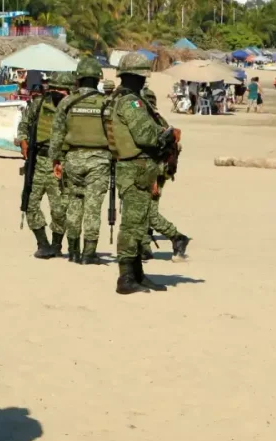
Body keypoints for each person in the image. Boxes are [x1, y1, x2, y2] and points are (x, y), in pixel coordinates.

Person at [105, 54, 177, 294]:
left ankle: (137, 273)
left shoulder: (121, 99)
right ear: (136, 77)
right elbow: (145, 136)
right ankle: (126, 277)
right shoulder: (131, 102)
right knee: (133, 225)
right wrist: (166, 135)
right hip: (135, 168)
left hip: (137, 168)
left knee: (139, 223)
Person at [49, 56, 111, 264]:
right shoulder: (106, 103)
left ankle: (73, 251)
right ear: (97, 79)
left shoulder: (67, 102)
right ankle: (89, 252)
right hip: (99, 161)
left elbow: (57, 135)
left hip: (72, 160)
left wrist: (55, 160)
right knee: (93, 207)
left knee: (75, 204)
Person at [16, 72, 71, 258]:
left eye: (61, 90)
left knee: (59, 209)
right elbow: (24, 124)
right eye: (53, 88)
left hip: (60, 163)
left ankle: (56, 244)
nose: (56, 93)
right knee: (30, 205)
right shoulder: (38, 105)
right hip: (38, 161)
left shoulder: (71, 108)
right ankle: (42, 243)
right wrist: (23, 140)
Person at [141, 88, 190, 264]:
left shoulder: (152, 122)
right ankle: (144, 247)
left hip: (154, 173)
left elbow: (154, 154)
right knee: (141, 211)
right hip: (150, 171)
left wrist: (153, 179)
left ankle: (177, 237)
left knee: (150, 214)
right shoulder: (156, 119)